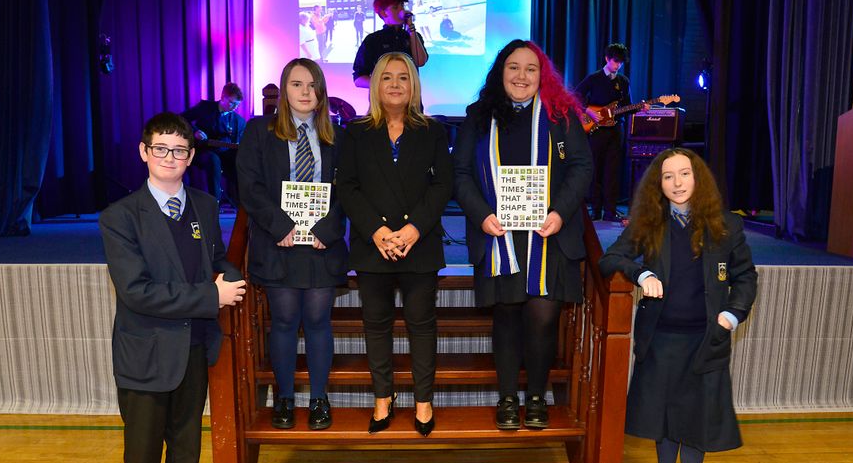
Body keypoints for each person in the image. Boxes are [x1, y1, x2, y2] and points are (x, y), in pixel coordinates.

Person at [99, 112, 246, 463]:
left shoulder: (203, 205)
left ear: (191, 156)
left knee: (185, 446)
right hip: (145, 353)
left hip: (195, 347)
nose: (170, 158)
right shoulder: (119, 217)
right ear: (144, 152)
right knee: (142, 451)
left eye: (180, 150)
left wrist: (232, 276)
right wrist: (211, 296)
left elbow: (217, 260)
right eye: (160, 149)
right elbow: (136, 291)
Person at [599, 147, 757, 463]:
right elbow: (610, 258)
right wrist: (641, 272)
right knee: (665, 421)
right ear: (659, 184)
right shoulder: (648, 223)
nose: (677, 183)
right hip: (661, 340)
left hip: (706, 341)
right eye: (668, 176)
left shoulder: (725, 226)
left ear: (697, 177)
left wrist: (732, 315)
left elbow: (746, 278)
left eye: (684, 174)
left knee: (695, 423)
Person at [453, 39, 593, 431]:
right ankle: (507, 398)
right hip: (498, 235)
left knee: (543, 316)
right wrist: (481, 216)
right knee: (507, 315)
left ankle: (536, 396)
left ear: (541, 75)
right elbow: (460, 174)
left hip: (546, 234)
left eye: (531, 68)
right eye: (513, 67)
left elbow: (582, 168)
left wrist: (559, 213)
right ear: (501, 72)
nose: (521, 76)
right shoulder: (479, 117)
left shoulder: (561, 116)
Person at [337, 52, 452, 436]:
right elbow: (348, 187)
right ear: (375, 84)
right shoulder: (355, 132)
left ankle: (423, 401)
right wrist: (377, 231)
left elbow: (442, 185)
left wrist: (415, 229)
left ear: (414, 84)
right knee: (376, 325)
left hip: (419, 245)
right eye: (387, 77)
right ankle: (383, 398)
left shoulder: (433, 131)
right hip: (374, 246)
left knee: (422, 325)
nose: (396, 84)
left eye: (404, 77)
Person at [237, 59, 348, 430]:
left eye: (312, 85)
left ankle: (319, 399)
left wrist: (328, 230)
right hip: (277, 241)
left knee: (318, 320)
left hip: (320, 243)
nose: (305, 92)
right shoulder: (258, 131)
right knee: (284, 320)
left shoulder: (337, 136)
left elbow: (347, 190)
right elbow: (249, 185)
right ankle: (284, 398)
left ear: (321, 92)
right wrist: (280, 225)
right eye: (297, 84)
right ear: (284, 89)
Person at [575, 43, 634, 221]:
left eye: (621, 63)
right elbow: (575, 96)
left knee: (613, 170)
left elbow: (627, 107)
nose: (618, 65)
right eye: (615, 61)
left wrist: (641, 108)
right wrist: (588, 111)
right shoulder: (594, 78)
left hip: (616, 129)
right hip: (596, 130)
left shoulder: (623, 81)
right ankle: (596, 209)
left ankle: (610, 211)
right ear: (607, 59)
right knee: (596, 168)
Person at [181, 82, 246, 206]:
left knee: (241, 163)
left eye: (236, 105)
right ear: (222, 97)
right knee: (213, 160)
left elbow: (238, 143)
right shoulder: (205, 107)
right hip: (202, 151)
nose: (233, 108)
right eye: (231, 103)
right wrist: (195, 131)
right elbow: (182, 119)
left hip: (225, 153)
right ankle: (213, 205)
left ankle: (243, 206)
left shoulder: (239, 121)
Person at [352, 0, 429, 89]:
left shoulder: (413, 36)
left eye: (402, 5)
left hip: (411, 102)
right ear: (384, 13)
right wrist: (384, 85)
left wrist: (411, 30)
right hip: (382, 103)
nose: (402, 10)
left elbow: (420, 62)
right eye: (395, 7)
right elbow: (358, 78)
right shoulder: (373, 40)